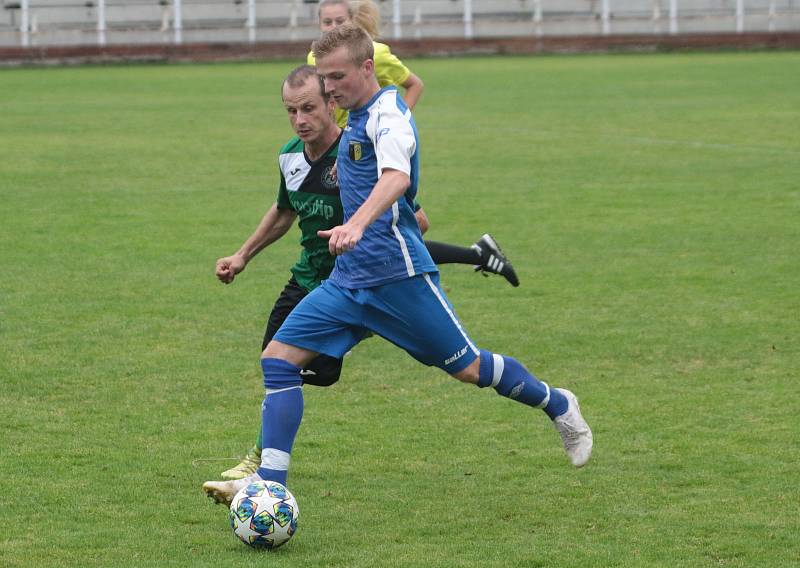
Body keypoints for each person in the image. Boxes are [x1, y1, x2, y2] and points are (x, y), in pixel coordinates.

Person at [202, 25, 592, 505]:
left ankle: (558, 403)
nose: (328, 90)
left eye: (336, 78)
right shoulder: (346, 119)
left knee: (469, 368)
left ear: (367, 68)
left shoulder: (390, 113)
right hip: (346, 283)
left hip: (398, 278)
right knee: (278, 360)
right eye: (323, 79)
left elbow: (396, 176)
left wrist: (358, 223)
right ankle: (271, 486)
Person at [310, 0, 520, 286]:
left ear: (353, 21)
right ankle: (475, 256)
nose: (333, 27)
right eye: (327, 22)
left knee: (402, 229)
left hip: (380, 154)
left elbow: (414, 85)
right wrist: (344, 150)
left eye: (339, 21)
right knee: (369, 235)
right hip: (348, 153)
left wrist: (395, 128)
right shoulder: (315, 58)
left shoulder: (377, 56)